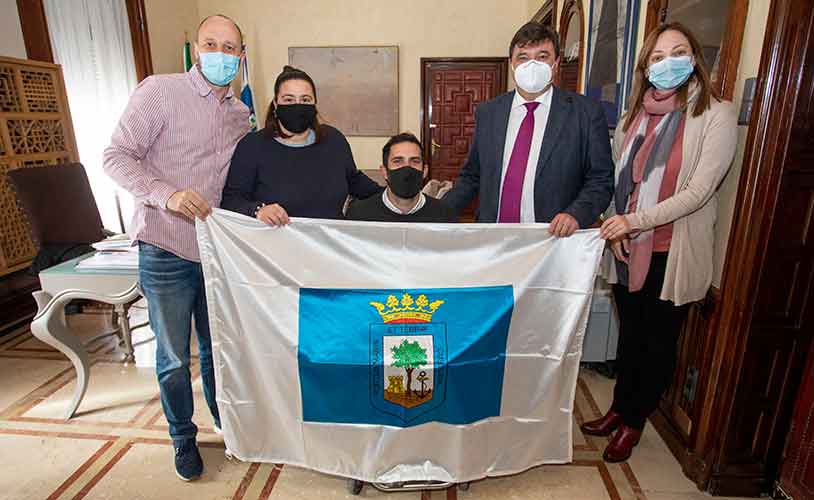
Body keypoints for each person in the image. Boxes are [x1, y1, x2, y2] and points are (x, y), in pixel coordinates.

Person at [581, 22, 737, 462]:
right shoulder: (633, 118)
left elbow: (698, 192)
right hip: (630, 249)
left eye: (678, 52)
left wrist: (632, 221)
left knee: (657, 344)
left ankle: (634, 422)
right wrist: (617, 230)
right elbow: (614, 182)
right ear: (645, 67)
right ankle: (618, 408)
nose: (668, 62)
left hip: (674, 251)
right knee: (629, 338)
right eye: (657, 56)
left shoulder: (715, 115)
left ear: (694, 60)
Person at [103, 14, 250, 481]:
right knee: (171, 355)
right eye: (212, 44)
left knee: (215, 350)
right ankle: (182, 439)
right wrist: (166, 193)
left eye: (230, 49)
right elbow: (115, 156)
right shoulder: (159, 91)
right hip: (164, 246)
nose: (221, 55)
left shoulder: (240, 114)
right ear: (195, 47)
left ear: (240, 58)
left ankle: (226, 423)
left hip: (214, 252)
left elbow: (237, 183)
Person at [442, 22, 614, 235]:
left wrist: (577, 214)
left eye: (542, 57)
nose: (532, 65)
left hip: (551, 240)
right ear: (512, 64)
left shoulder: (585, 113)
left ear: (556, 63)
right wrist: (438, 212)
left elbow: (600, 180)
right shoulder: (489, 113)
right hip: (492, 237)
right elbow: (472, 176)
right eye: (523, 57)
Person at [220, 66, 382, 224]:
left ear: (314, 104)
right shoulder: (252, 146)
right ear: (276, 104)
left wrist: (396, 196)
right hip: (274, 247)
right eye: (289, 99)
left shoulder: (334, 140)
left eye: (305, 99)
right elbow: (231, 201)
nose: (297, 105)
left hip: (330, 246)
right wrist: (258, 210)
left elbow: (355, 182)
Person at [346, 133, 457, 222]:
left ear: (425, 171)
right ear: (384, 171)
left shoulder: (444, 215)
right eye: (398, 161)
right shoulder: (359, 215)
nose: (407, 169)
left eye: (415, 161)